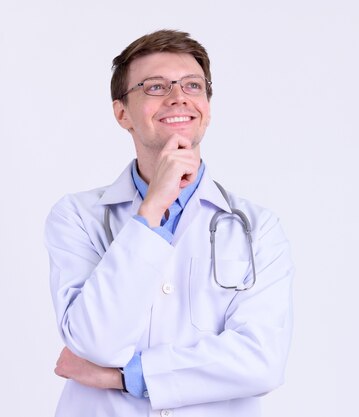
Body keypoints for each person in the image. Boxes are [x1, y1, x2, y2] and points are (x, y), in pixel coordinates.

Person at [44, 29, 294, 417]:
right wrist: (153, 207)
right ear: (122, 113)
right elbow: (94, 342)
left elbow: (261, 361)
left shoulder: (257, 228)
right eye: (156, 86)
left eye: (192, 85)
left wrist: (125, 376)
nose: (179, 97)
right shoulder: (77, 216)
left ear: (207, 107)